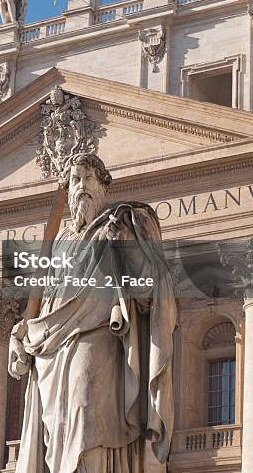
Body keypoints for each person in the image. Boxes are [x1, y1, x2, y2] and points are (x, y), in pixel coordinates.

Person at [9, 152, 177, 473]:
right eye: (75, 180)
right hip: (54, 348)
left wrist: (128, 245)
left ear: (103, 188)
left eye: (89, 179)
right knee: (59, 431)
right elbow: (50, 300)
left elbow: (146, 290)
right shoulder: (61, 239)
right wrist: (25, 333)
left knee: (86, 418)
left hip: (97, 335)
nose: (81, 186)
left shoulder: (116, 227)